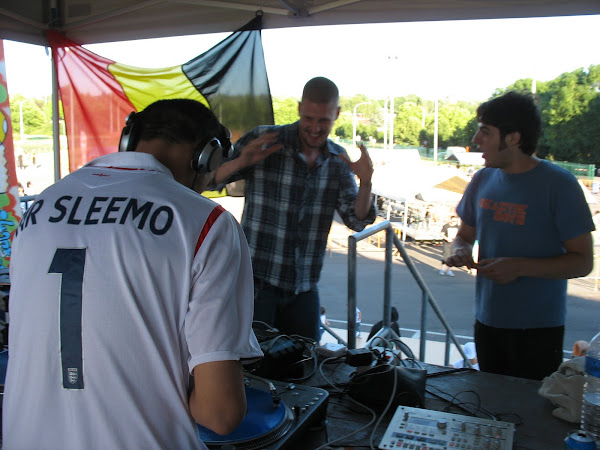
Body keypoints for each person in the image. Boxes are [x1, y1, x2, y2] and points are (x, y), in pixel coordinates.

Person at [3, 99, 263, 449]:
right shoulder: (207, 224)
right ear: (207, 158)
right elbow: (220, 414)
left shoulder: (37, 212)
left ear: (130, 140)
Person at [211, 77, 377, 341]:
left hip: (304, 288)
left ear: (337, 114)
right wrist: (242, 161)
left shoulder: (337, 159)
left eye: (323, 121)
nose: (314, 128)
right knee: (252, 369)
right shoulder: (264, 139)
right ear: (299, 108)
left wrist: (366, 182)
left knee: (305, 364)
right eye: (309, 118)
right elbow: (210, 179)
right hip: (255, 284)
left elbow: (356, 220)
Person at [445, 91, 594, 381]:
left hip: (539, 329)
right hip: (487, 321)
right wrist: (459, 249)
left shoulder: (560, 185)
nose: (476, 140)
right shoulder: (482, 179)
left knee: (529, 415)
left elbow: (583, 262)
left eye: (485, 132)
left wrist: (519, 267)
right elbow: (463, 235)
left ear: (513, 138)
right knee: (490, 405)